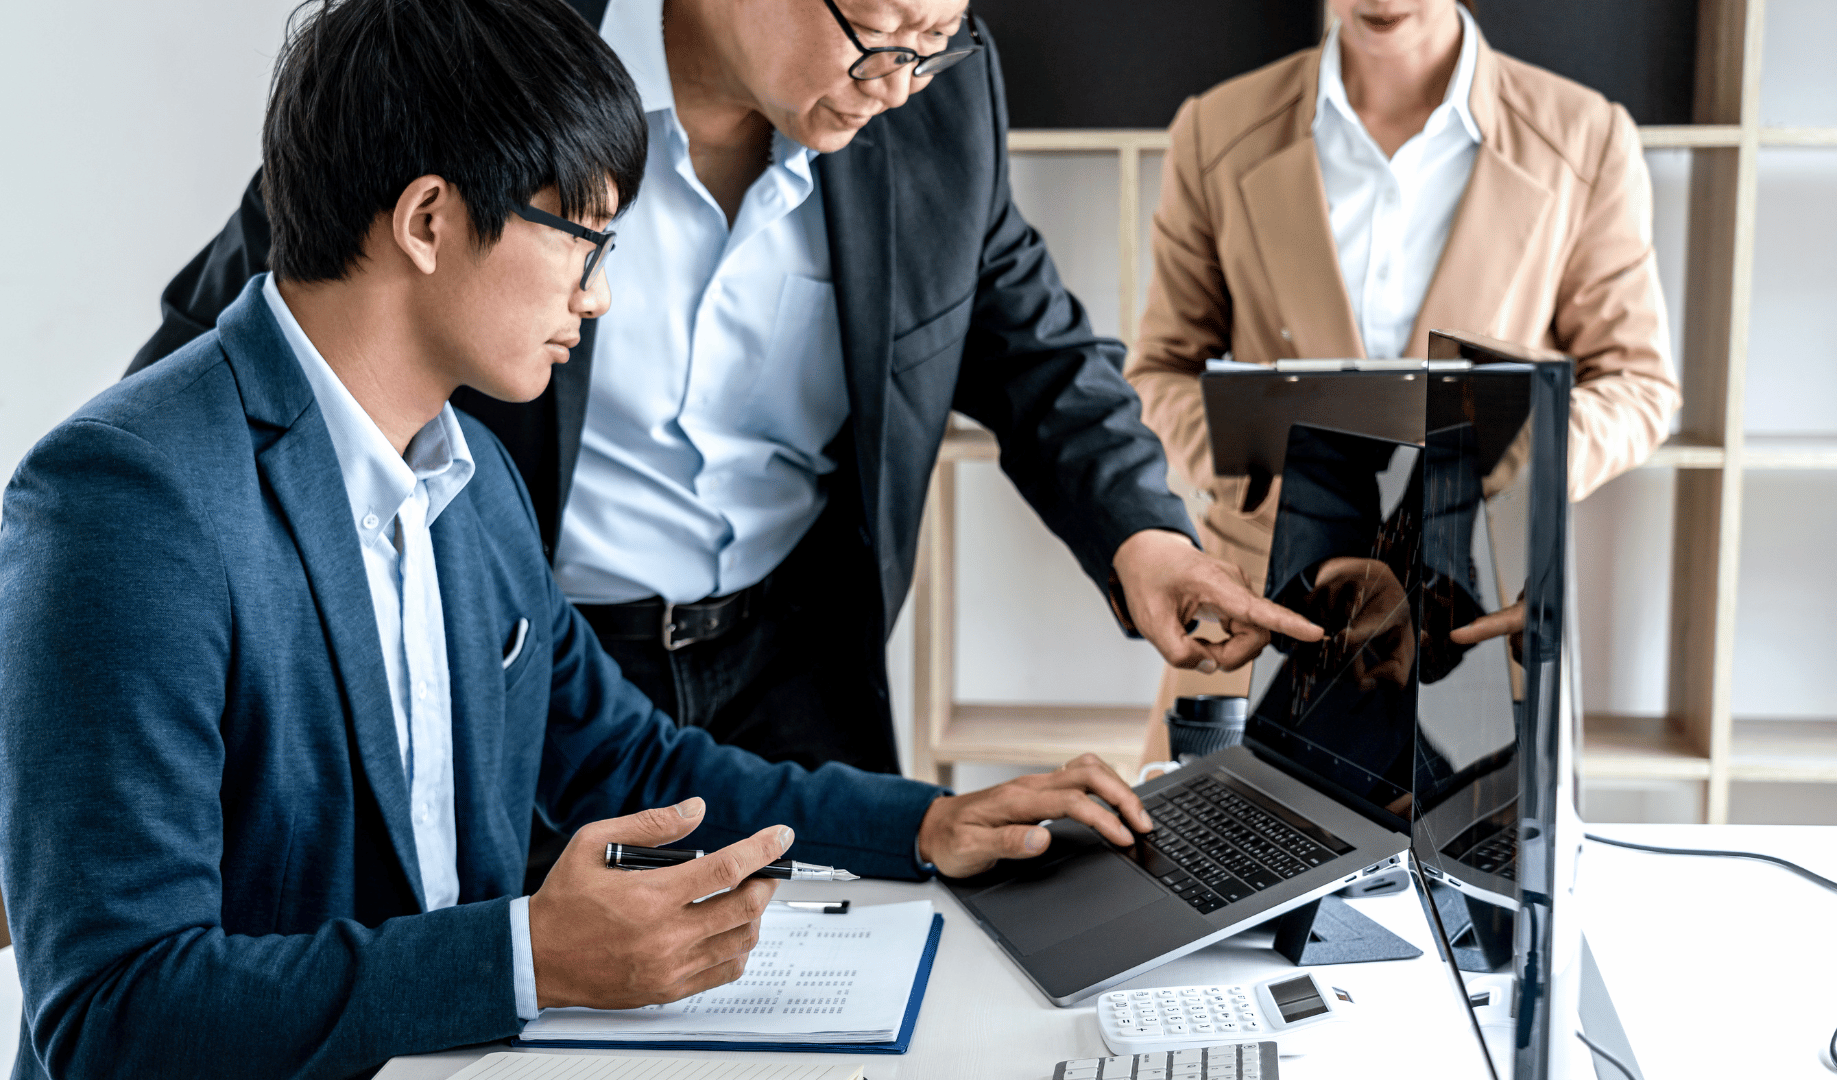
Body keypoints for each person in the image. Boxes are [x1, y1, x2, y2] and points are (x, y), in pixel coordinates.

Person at [0, 2, 1154, 1075]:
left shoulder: (471, 477)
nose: (600, 300)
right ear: (429, 219)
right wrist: (529, 961)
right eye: (584, 242)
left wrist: (932, 822)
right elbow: (115, 1012)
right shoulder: (124, 503)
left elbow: (634, 765)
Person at [125, 0, 1320, 823]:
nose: (898, 86)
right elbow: (254, 318)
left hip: (801, 653)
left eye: (932, 45)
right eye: (876, 40)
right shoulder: (486, 56)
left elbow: (1024, 334)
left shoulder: (933, 98)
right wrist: (117, 561)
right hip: (542, 654)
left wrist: (1144, 534)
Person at [1126, 0, 1681, 766]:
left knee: (1470, 870)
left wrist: (1517, 465)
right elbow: (1160, 373)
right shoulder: (1214, 128)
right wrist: (1263, 475)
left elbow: (1638, 382)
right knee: (1229, 862)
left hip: (1471, 618)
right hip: (1261, 611)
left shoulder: (1584, 135)